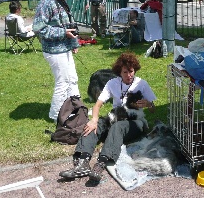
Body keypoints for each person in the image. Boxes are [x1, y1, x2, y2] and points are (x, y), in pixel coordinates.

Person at [58, 52, 157, 184]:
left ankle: (101, 164)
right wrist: (93, 120)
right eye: (125, 72)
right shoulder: (112, 83)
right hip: (116, 116)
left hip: (135, 122)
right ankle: (82, 162)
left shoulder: (141, 84)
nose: (129, 75)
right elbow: (98, 104)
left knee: (118, 127)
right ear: (119, 73)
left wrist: (148, 104)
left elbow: (153, 109)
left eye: (131, 71)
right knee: (94, 125)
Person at [32, 0, 80, 123]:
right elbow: (38, 28)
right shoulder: (47, 2)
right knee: (63, 82)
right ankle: (56, 115)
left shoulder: (60, 1)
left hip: (64, 47)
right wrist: (63, 33)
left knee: (72, 79)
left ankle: (76, 109)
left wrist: (73, 42)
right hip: (53, 50)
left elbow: (68, 24)